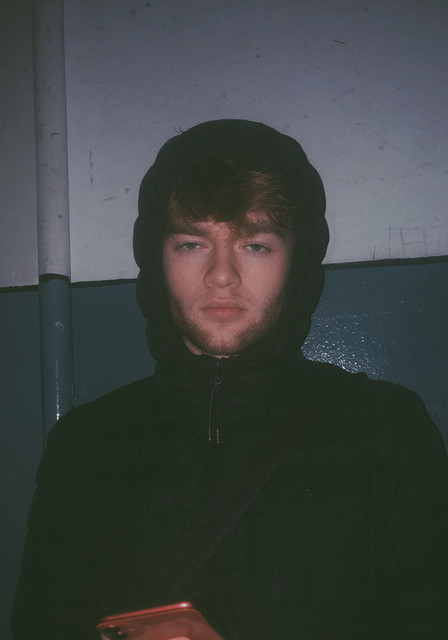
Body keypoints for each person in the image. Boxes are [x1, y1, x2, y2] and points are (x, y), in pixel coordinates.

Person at [11, 120, 448, 639]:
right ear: (155, 260)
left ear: (297, 264)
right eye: (191, 243)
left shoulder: (388, 429)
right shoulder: (81, 447)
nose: (222, 275)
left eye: (255, 245)